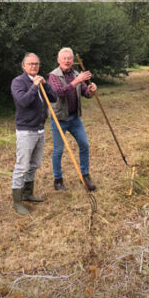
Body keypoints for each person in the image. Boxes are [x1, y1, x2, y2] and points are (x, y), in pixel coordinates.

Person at [11, 52, 57, 215]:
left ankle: (28, 193)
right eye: (30, 64)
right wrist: (34, 86)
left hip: (39, 129)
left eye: (36, 64)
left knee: (34, 164)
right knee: (22, 166)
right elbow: (23, 101)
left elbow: (53, 98)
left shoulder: (40, 81)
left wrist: (45, 85)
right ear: (24, 66)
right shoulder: (18, 82)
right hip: (26, 131)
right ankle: (17, 202)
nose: (34, 67)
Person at [47, 47, 98, 192]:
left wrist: (92, 90)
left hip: (74, 118)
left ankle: (86, 175)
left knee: (85, 145)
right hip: (59, 119)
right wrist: (77, 81)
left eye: (69, 58)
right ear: (59, 60)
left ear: (73, 61)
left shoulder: (76, 74)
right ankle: (58, 180)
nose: (67, 61)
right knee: (58, 150)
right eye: (64, 58)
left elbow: (85, 93)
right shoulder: (53, 76)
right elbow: (58, 94)